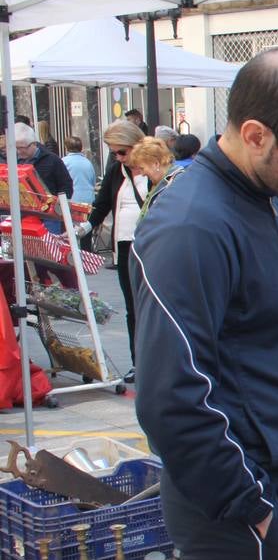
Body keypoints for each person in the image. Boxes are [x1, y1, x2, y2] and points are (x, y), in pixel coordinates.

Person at [130, 47, 278, 560]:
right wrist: (255, 508)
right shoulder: (192, 225)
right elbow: (171, 396)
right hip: (249, 498)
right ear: (255, 134)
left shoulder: (261, 196)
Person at [88, 119, 149, 380]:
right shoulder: (116, 171)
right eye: (114, 152)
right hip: (124, 245)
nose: (118, 157)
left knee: (155, 306)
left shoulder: (156, 169)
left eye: (121, 151)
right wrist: (83, 226)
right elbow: (101, 205)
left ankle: (158, 361)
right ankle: (138, 362)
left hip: (152, 246)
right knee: (132, 306)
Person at [11, 122, 73, 201]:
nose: (18, 151)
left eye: (22, 148)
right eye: (16, 148)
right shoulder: (13, 161)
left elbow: (66, 186)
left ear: (33, 144)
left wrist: (59, 204)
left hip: (48, 210)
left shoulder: (53, 160)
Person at [126, 136, 184, 206]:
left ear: (156, 163)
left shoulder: (178, 182)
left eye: (142, 168)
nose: (142, 174)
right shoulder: (161, 183)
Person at [61, 136, 96, 206]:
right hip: (89, 200)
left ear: (66, 148)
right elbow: (93, 182)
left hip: (73, 200)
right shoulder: (88, 162)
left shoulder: (63, 162)